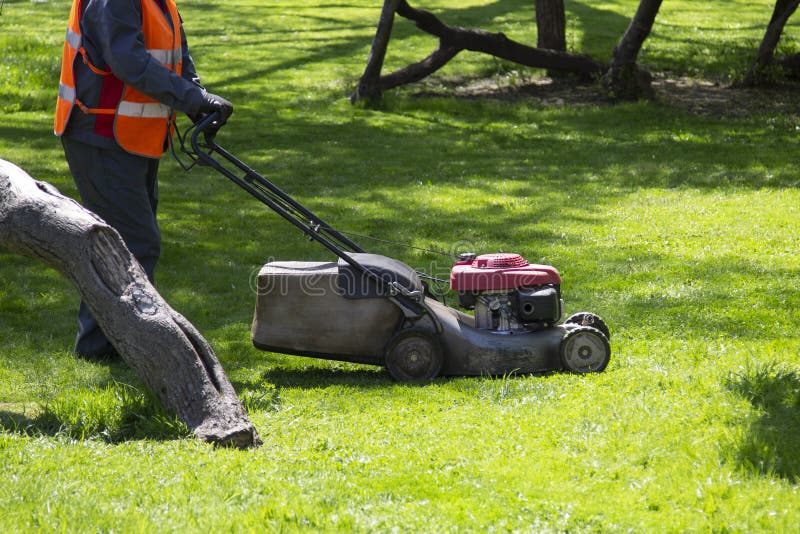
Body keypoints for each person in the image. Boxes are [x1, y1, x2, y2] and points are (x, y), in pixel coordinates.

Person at [54, 0, 232, 360]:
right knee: (133, 241)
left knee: (124, 240)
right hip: (101, 133)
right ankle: (109, 350)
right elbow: (127, 60)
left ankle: (101, 348)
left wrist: (197, 98)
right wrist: (191, 97)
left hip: (133, 135)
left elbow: (176, 54)